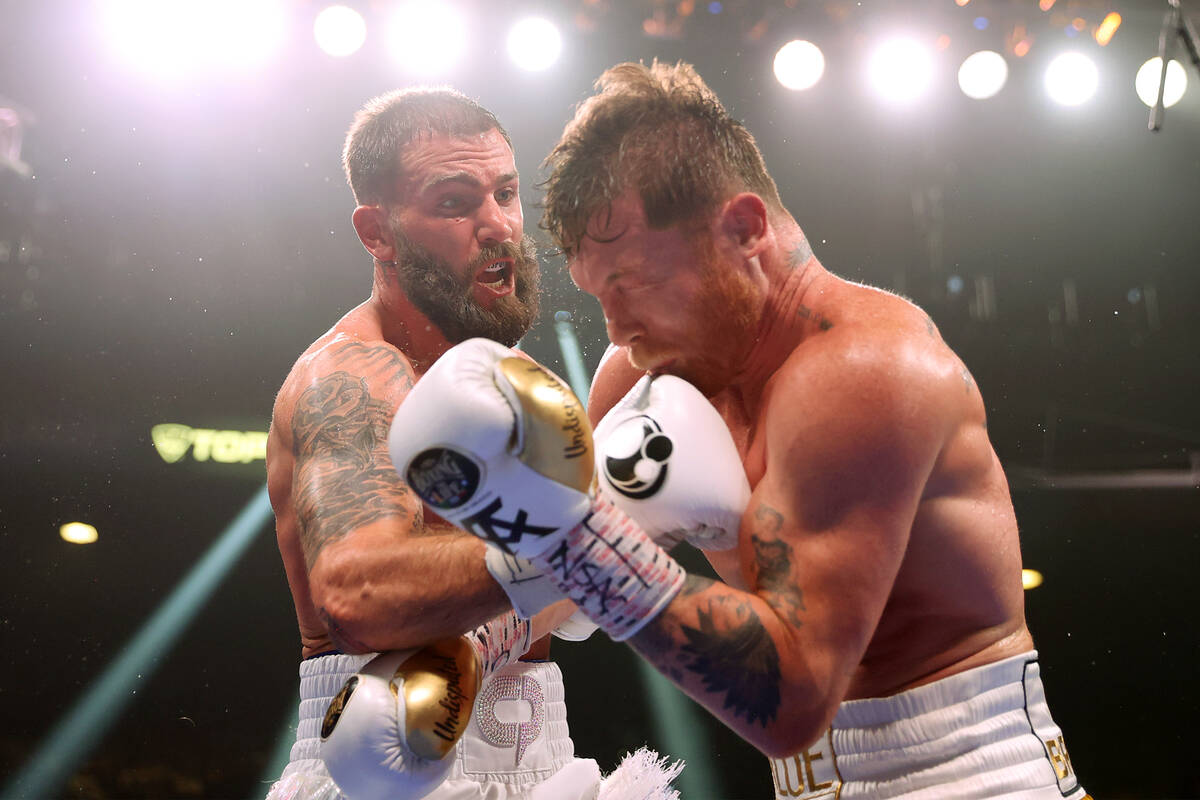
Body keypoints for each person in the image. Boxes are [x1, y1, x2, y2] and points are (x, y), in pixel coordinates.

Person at [387, 61, 1089, 799]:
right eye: (600, 295)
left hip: (971, 772)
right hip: (802, 783)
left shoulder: (872, 369)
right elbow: (569, 580)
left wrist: (566, 529)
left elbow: (791, 699)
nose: (618, 328)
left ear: (744, 229)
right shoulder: (648, 372)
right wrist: (459, 664)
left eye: (634, 283)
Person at [263, 87, 679, 800]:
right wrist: (574, 542)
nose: (499, 226)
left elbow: (549, 591)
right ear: (378, 232)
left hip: (541, 757)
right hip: (383, 772)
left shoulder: (523, 386)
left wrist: (602, 527)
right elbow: (356, 592)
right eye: (455, 203)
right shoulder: (355, 376)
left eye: (507, 193)